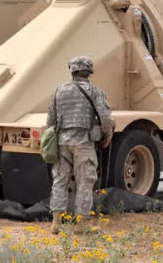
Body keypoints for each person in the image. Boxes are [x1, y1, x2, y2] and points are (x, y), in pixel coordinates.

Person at [47, 56, 114, 234]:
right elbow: (106, 119)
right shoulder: (94, 91)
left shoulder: (59, 90)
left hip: (62, 142)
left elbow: (50, 120)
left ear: (72, 70)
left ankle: (56, 223)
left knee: (60, 180)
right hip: (84, 143)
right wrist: (107, 135)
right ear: (89, 71)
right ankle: (82, 224)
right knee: (85, 182)